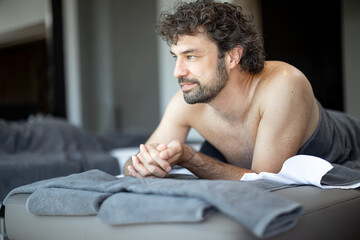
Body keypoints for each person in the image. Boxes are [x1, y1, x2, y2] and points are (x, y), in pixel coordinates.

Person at [123, 0, 360, 180]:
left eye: (191, 56)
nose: (177, 71)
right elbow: (131, 165)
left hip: (351, 136)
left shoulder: (284, 84)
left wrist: (190, 157)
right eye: (176, 57)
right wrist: (146, 163)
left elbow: (265, 182)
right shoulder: (184, 104)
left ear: (232, 57)